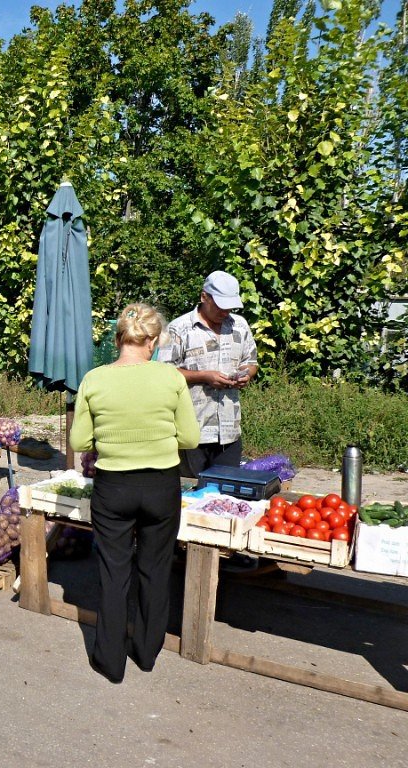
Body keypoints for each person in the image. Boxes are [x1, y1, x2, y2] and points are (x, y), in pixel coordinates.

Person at [69, 303, 200, 683]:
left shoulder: (94, 380)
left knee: (114, 573)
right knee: (155, 570)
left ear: (117, 339)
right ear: (154, 340)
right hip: (161, 485)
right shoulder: (171, 377)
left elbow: (79, 440)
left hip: (113, 486)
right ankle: (145, 652)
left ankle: (110, 661)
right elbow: (190, 437)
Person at [159, 270, 259, 479]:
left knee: (227, 494)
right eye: (220, 305)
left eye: (230, 306)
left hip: (229, 428)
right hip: (192, 429)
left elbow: (251, 362)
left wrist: (246, 375)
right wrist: (203, 376)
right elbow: (164, 373)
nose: (226, 311)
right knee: (190, 490)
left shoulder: (239, 325)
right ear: (204, 297)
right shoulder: (180, 328)